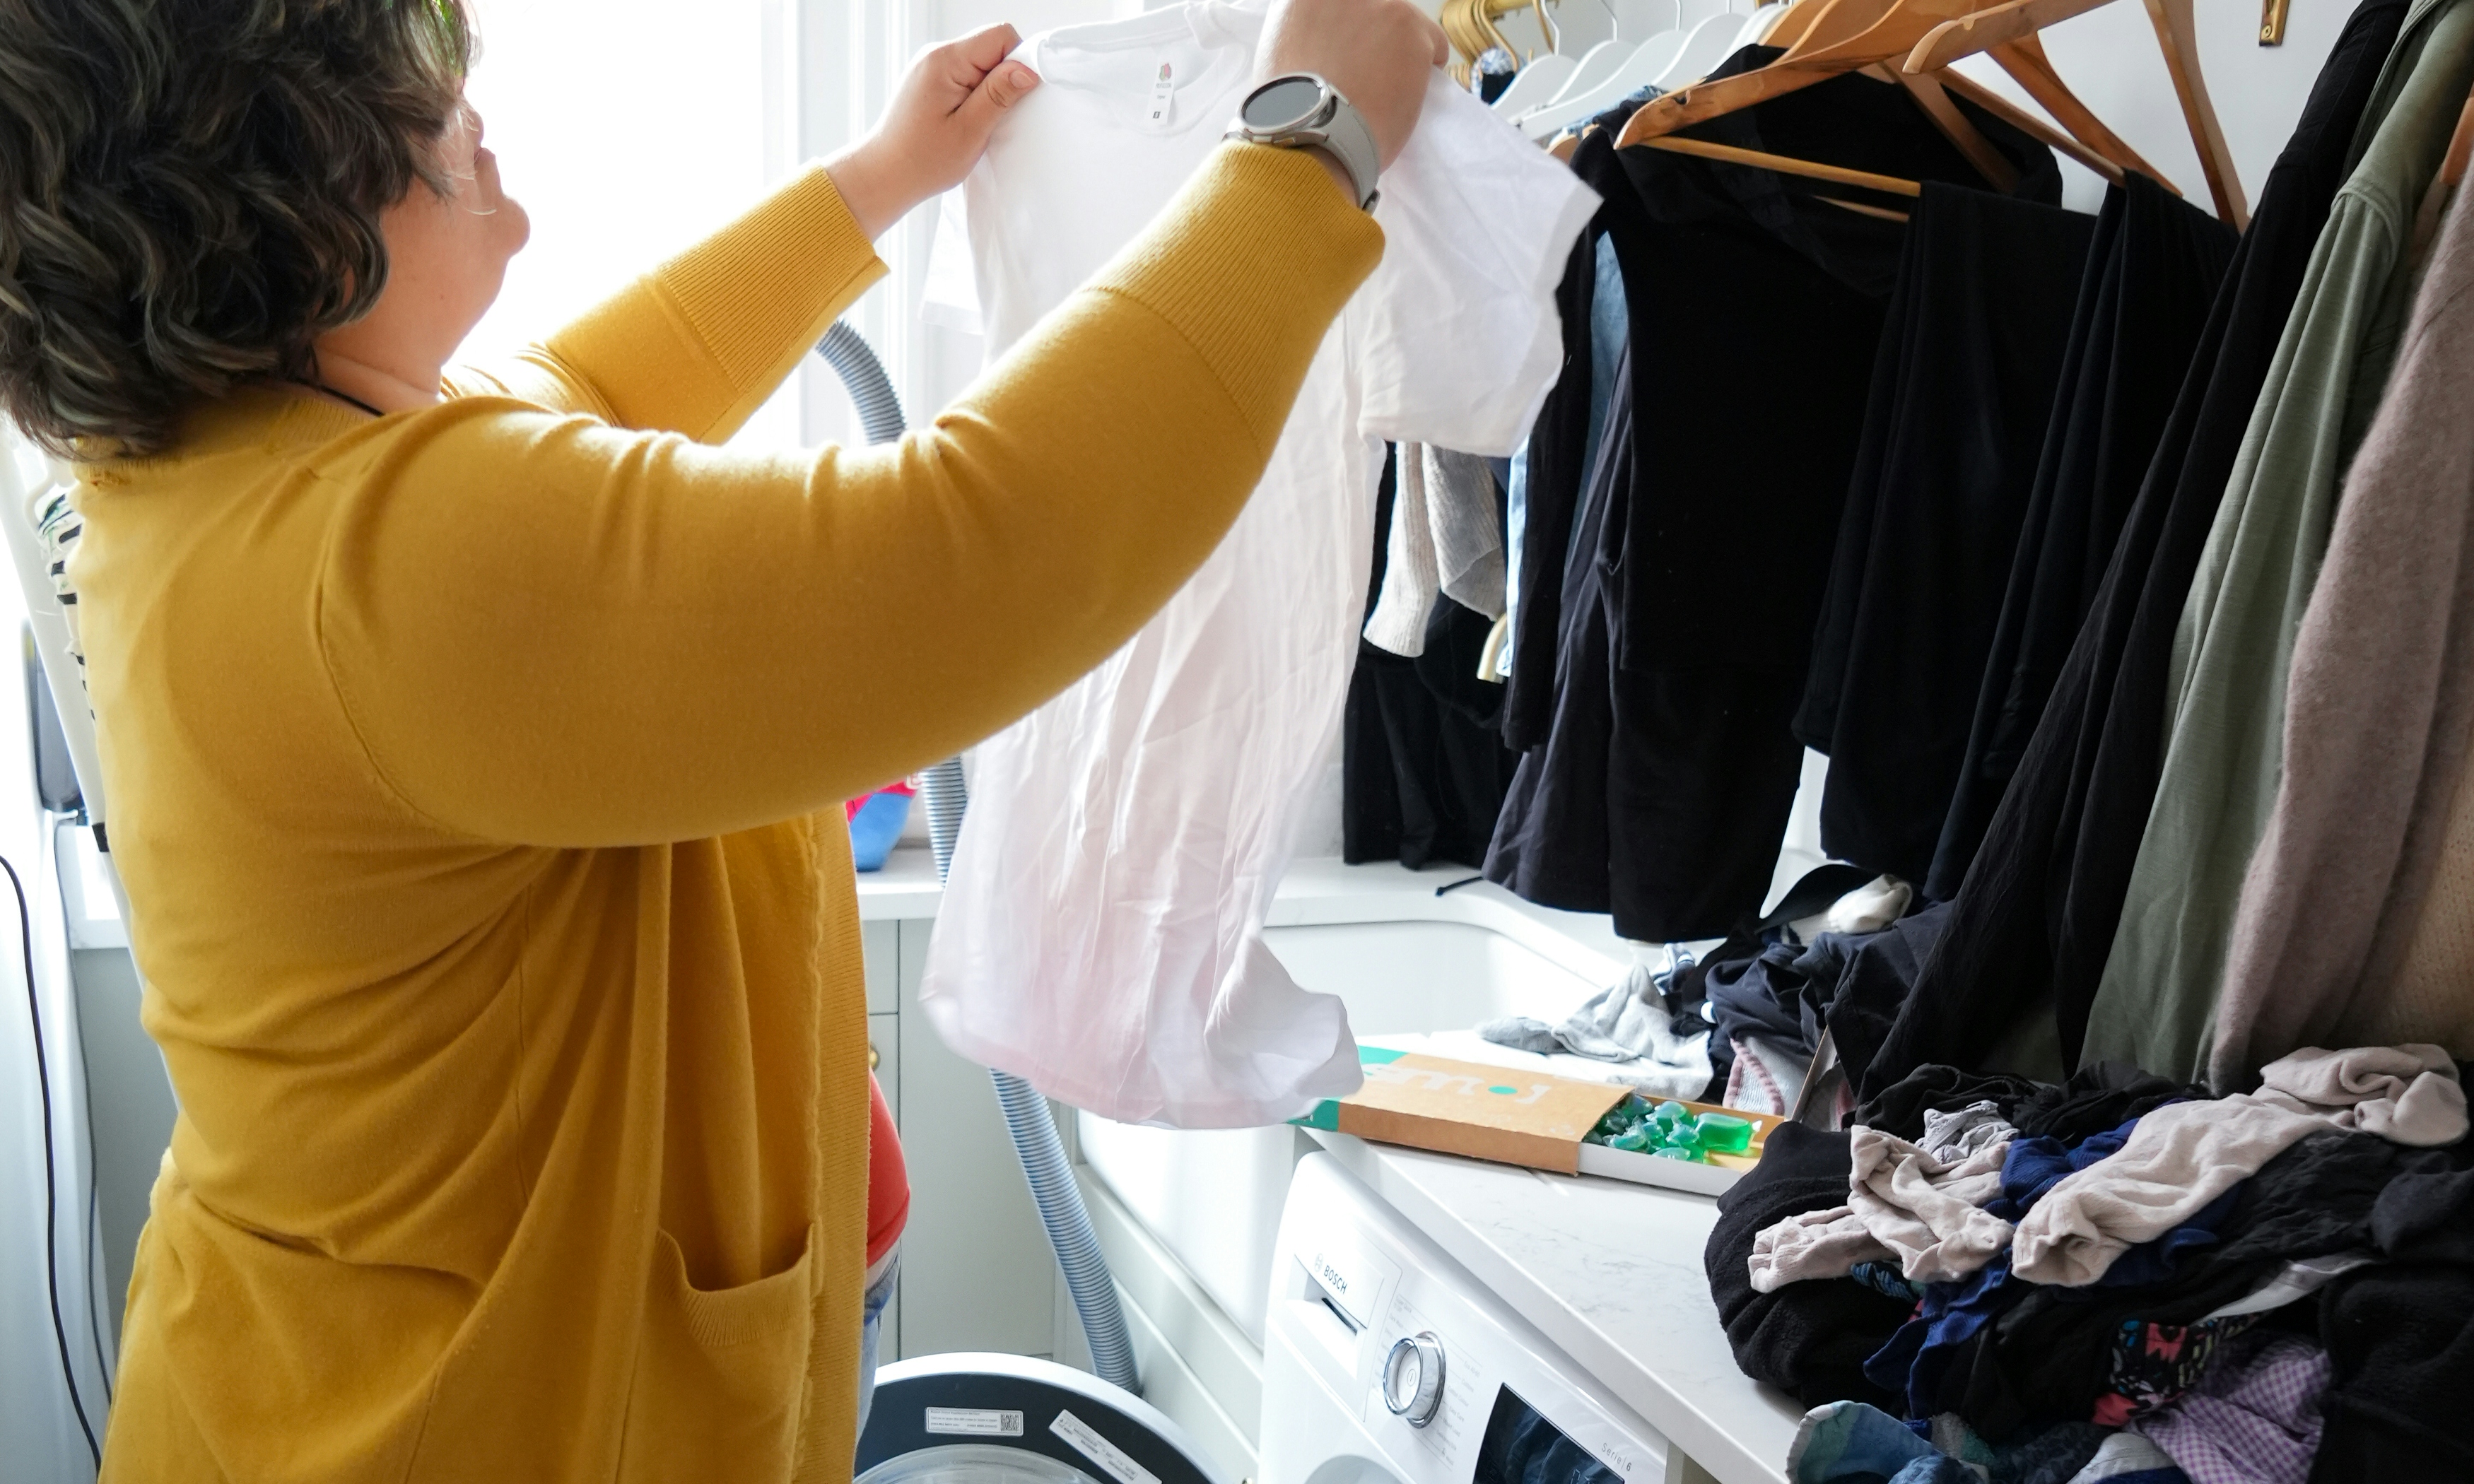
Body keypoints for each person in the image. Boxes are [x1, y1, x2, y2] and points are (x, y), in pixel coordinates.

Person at [0, 0, 1446, 1475]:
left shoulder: (238, 485)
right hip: (452, 1430)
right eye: (405, 94)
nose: (462, 93)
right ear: (279, 208)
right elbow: (980, 551)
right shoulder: (384, 562)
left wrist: (880, 176)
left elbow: (589, 386)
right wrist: (1307, 151)